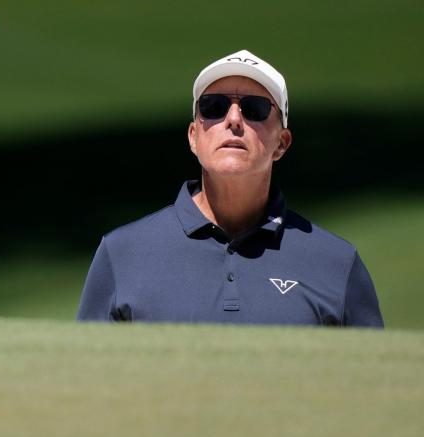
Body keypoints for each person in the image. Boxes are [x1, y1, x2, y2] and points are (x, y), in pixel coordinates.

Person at [77, 50, 384, 327]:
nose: (234, 119)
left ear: (282, 142)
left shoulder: (337, 262)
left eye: (255, 108)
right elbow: (85, 379)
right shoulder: (121, 252)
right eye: (214, 107)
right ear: (194, 136)